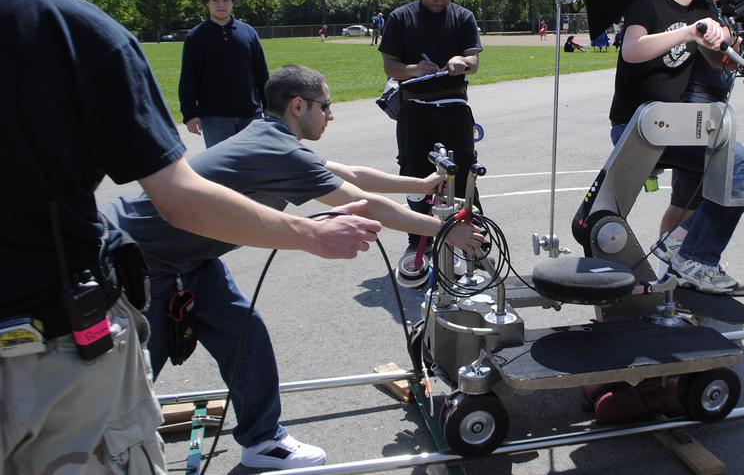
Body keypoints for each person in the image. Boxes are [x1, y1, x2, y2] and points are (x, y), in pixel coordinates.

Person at [0, 0, 380, 473]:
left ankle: (262, 436)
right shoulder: (80, 31)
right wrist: (309, 234)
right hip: (53, 346)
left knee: (235, 326)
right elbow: (179, 198)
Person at [101, 64, 481, 469]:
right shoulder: (277, 150)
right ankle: (102, 456)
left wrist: (419, 185)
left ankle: (262, 440)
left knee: (245, 333)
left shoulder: (272, 138)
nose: (331, 115)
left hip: (189, 260)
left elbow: (348, 174)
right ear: (298, 105)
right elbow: (361, 201)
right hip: (140, 262)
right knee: (131, 385)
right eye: (326, 106)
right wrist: (444, 229)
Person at [609, 0, 744, 295]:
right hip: (637, 126)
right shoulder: (648, 4)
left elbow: (715, 60)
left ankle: (683, 247)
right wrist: (689, 34)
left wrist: (724, 46)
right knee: (739, 165)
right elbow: (631, 50)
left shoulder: (701, 8)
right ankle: (694, 256)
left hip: (673, 126)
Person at [379, 0, 482, 262]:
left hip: (453, 107)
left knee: (462, 169)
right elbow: (390, 65)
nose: (439, 0)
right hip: (414, 109)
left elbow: (474, 62)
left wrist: (461, 61)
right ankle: (418, 240)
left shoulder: (463, 17)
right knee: (414, 173)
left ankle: (468, 233)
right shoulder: (401, 17)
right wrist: (412, 70)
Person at [179, 0, 270, 147]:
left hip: (251, 115)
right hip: (215, 118)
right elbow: (189, 79)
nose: (221, 5)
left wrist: (270, 106)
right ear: (206, 2)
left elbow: (262, 73)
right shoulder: (196, 37)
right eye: (215, 0)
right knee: (221, 171)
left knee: (254, 166)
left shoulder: (248, 33)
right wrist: (190, 114)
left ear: (233, 1)